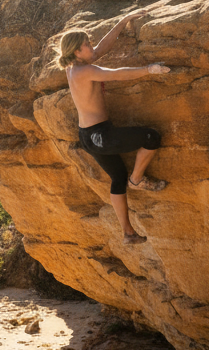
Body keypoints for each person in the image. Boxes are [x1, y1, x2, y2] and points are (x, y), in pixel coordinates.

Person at [59, 12, 171, 244]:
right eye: (86, 45)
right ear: (76, 52)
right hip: (100, 136)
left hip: (88, 136)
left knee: (117, 177)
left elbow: (102, 48)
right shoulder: (85, 71)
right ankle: (137, 179)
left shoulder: (74, 66)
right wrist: (149, 70)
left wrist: (121, 22)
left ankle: (128, 233)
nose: (91, 47)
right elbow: (116, 75)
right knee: (151, 137)